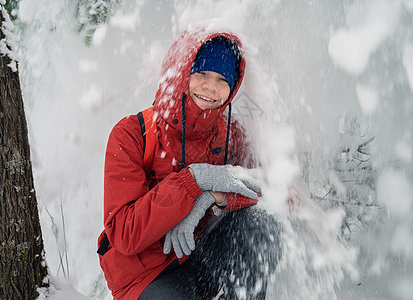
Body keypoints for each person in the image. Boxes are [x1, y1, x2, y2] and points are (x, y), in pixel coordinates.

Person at [97, 27, 282, 300]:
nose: (211, 87)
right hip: (147, 276)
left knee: (262, 224)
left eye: (222, 79)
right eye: (202, 73)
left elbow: (274, 184)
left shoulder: (229, 133)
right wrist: (193, 180)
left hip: (201, 257)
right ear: (182, 71)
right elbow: (124, 233)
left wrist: (212, 195)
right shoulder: (132, 134)